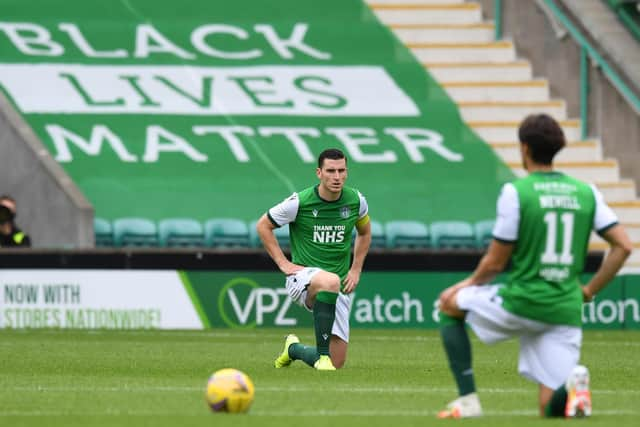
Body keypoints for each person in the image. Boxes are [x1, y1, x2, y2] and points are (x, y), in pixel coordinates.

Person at [436, 114, 632, 418]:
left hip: (522, 301)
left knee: (449, 305)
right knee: (549, 407)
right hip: (564, 307)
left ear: (524, 148)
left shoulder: (518, 192)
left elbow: (495, 262)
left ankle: (468, 401)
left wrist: (463, 285)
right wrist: (590, 290)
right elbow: (623, 246)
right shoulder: (586, 192)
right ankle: (572, 387)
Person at [256, 148, 372, 371]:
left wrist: (356, 269)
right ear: (319, 173)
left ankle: (294, 350)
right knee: (329, 281)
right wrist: (283, 263)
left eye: (341, 171)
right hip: (302, 278)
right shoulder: (299, 202)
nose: (336, 177)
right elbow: (263, 225)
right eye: (330, 171)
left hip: (336, 286)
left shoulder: (356, 201)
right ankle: (323, 357)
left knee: (337, 362)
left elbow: (365, 232)